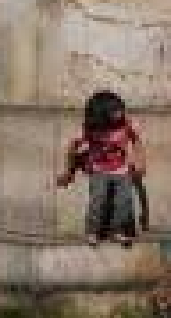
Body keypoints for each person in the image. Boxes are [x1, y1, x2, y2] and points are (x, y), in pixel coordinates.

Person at [56, 90, 146, 245]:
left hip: (122, 170)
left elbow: (137, 141)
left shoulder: (127, 124)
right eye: (115, 111)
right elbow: (73, 147)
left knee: (123, 202)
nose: (120, 113)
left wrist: (140, 162)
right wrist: (68, 172)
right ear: (103, 113)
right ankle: (92, 231)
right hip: (99, 171)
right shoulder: (91, 128)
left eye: (120, 109)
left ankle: (117, 231)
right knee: (97, 201)